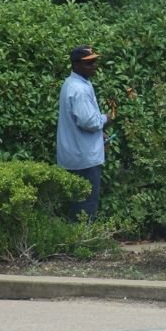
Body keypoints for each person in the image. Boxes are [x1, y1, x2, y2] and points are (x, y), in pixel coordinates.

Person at [56, 45, 114, 221]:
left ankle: (78, 244)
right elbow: (88, 121)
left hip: (75, 155)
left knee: (78, 204)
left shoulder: (73, 83)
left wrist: (100, 134)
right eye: (89, 63)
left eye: (95, 62)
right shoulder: (79, 89)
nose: (94, 66)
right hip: (84, 159)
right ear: (76, 65)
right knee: (85, 207)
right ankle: (83, 245)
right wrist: (107, 118)